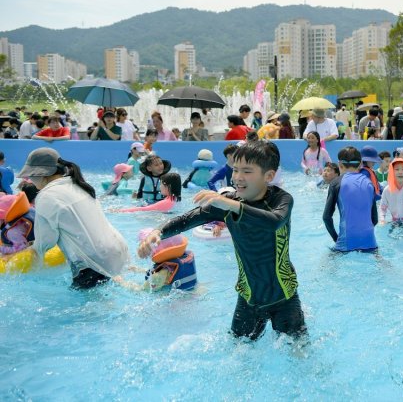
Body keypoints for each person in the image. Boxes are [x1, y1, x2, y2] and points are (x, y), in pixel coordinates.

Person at [137, 141, 305, 340]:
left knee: (299, 353)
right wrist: (158, 232)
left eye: (247, 171)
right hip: (248, 296)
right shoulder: (228, 202)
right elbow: (187, 219)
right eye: (235, 170)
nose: (237, 177)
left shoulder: (281, 199)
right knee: (238, 352)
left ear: (268, 176)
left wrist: (228, 203)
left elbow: (273, 222)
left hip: (283, 297)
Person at [19, 148, 128, 288]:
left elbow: (46, 241)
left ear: (41, 174)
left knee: (89, 306)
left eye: (31, 176)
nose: (30, 181)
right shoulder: (78, 184)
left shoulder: (46, 196)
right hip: (117, 250)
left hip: (92, 262)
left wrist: (31, 251)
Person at [322, 147, 379, 252]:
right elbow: (374, 219)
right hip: (370, 242)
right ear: (360, 164)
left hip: (345, 244)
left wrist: (336, 238)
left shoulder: (336, 183)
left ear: (340, 164)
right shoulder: (369, 183)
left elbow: (326, 217)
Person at [114, 231, 197, 292]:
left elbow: (142, 290)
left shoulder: (159, 275)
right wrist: (139, 270)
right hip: (194, 292)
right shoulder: (182, 258)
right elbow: (163, 270)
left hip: (178, 306)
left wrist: (122, 282)